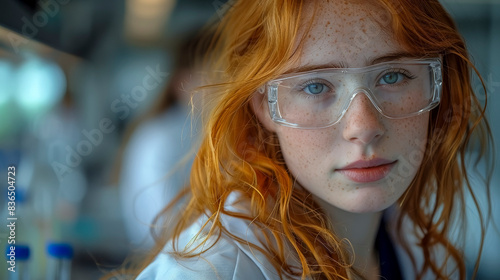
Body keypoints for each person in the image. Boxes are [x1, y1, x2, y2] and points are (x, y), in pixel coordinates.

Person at [128, 0, 494, 279]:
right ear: (265, 107)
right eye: (315, 86)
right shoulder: (218, 269)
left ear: (438, 85)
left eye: (393, 76)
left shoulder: (410, 239)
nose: (363, 127)